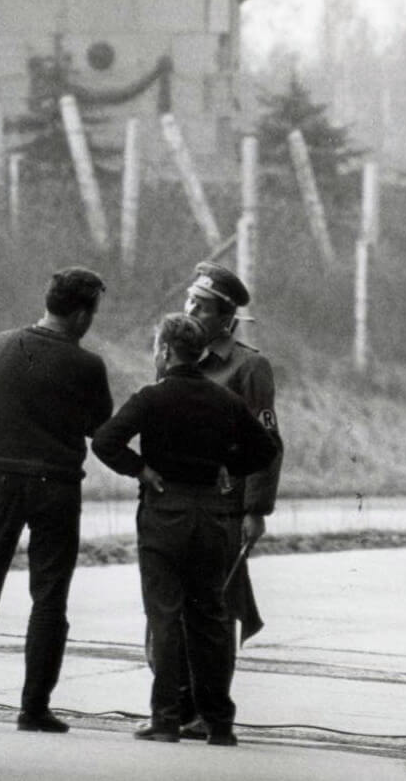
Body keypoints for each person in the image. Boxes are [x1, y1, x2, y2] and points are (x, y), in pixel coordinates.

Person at [0, 267, 113, 733]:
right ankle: (33, 709)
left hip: (0, 481)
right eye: (91, 314)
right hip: (56, 486)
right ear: (80, 314)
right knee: (49, 596)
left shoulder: (2, 344)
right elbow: (100, 428)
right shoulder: (88, 365)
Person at [92, 312, 281, 746]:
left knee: (165, 615)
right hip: (213, 517)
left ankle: (166, 718)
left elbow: (105, 441)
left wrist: (140, 469)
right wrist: (228, 469)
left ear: (163, 351)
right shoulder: (224, 400)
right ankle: (219, 723)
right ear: (198, 353)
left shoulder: (150, 397)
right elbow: (265, 447)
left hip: (164, 513)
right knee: (210, 618)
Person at [174, 260, 282, 737]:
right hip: (178, 504)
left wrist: (256, 510)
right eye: (189, 301)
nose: (190, 310)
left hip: (224, 506)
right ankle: (176, 707)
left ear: (225, 318)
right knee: (173, 608)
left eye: (201, 306)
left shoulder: (249, 366)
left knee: (215, 610)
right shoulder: (176, 356)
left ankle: (208, 711)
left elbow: (268, 443)